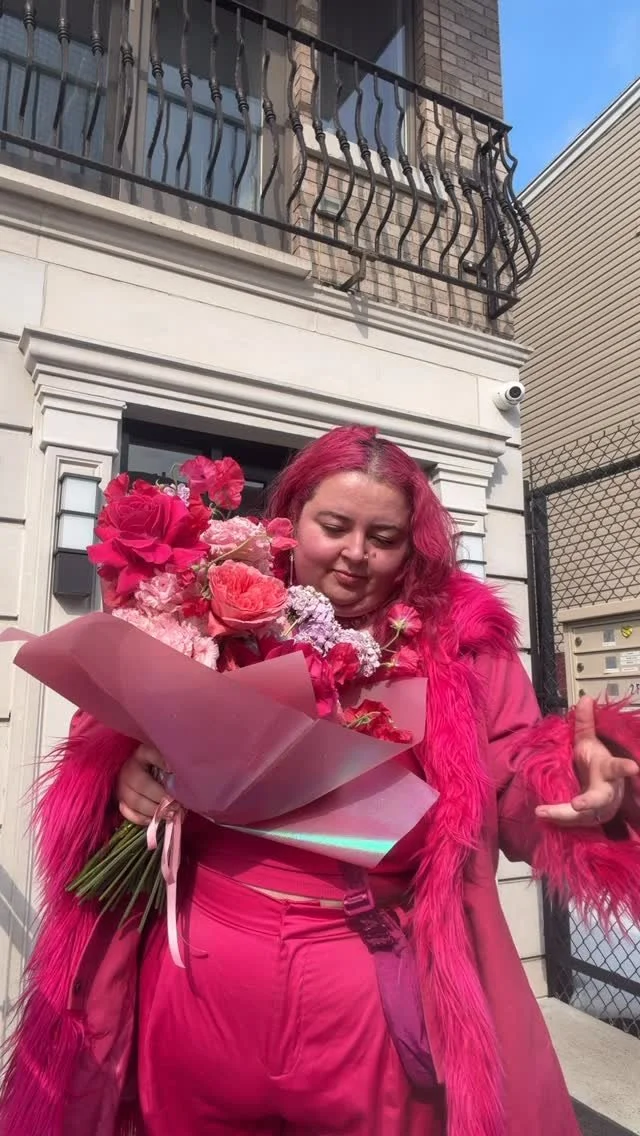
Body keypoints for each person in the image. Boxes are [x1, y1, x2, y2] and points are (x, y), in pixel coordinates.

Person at [2, 425, 640, 1136]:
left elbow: (511, 779)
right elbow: (111, 738)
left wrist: (577, 782)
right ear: (291, 516)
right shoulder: (209, 605)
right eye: (334, 527)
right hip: (199, 969)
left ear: (413, 546)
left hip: (364, 983)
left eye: (384, 538)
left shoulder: (464, 649)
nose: (356, 554)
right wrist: (124, 774)